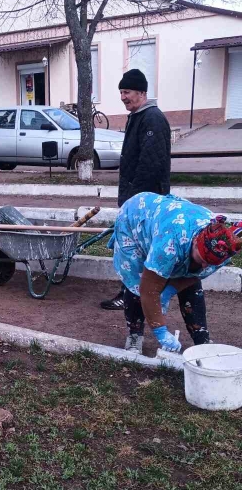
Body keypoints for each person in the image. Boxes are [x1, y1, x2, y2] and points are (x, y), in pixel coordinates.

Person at [110, 192, 242, 354]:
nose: (206, 265)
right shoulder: (170, 242)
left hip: (171, 222)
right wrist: (160, 331)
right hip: (136, 217)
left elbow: (195, 275)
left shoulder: (222, 248)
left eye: (210, 263)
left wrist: (169, 291)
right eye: (202, 259)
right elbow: (148, 290)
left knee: (191, 281)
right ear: (195, 241)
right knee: (137, 282)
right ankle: (135, 335)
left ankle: (202, 339)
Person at [101, 68, 171, 310]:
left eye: (127, 91)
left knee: (136, 250)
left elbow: (151, 164)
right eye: (121, 92)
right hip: (137, 199)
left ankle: (133, 295)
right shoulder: (138, 116)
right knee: (133, 249)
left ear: (142, 92)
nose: (123, 96)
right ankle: (134, 294)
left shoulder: (152, 118)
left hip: (146, 202)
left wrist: (133, 200)